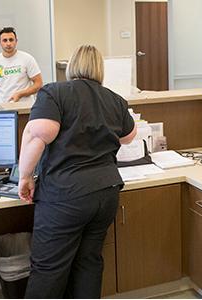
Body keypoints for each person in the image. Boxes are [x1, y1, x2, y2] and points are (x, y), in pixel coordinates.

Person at [17, 45, 137, 298]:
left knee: (49, 268)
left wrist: (25, 177)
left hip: (66, 196)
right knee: (89, 262)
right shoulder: (113, 99)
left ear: (70, 66)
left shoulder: (55, 92)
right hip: (105, 195)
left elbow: (39, 135)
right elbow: (129, 136)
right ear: (99, 69)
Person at [0, 27, 43, 111]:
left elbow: (38, 84)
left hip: (25, 109)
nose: (8, 43)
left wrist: (21, 94)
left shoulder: (27, 59)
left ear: (16, 41)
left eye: (11, 40)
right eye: (5, 40)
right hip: (3, 110)